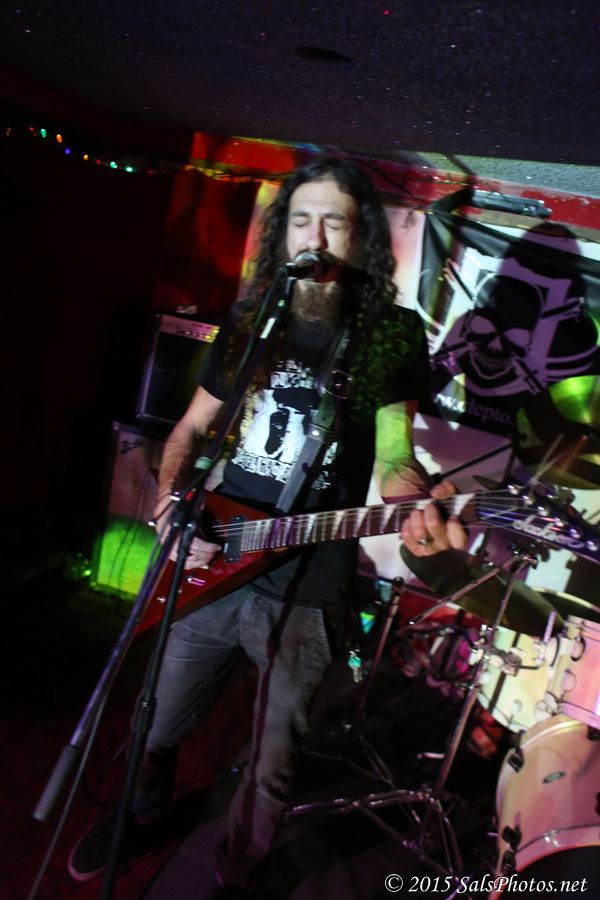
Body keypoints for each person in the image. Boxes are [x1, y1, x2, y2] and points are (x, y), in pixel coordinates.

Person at [68, 156, 466, 897]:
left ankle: (240, 868)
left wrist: (415, 500)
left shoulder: (388, 333)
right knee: (157, 721)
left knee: (274, 758)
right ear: (283, 234)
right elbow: (190, 430)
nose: (315, 236)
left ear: (359, 237)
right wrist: (169, 506)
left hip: (308, 582)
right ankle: (139, 815)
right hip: (215, 553)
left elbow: (392, 456)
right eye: (301, 220)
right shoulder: (254, 322)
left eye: (334, 222)